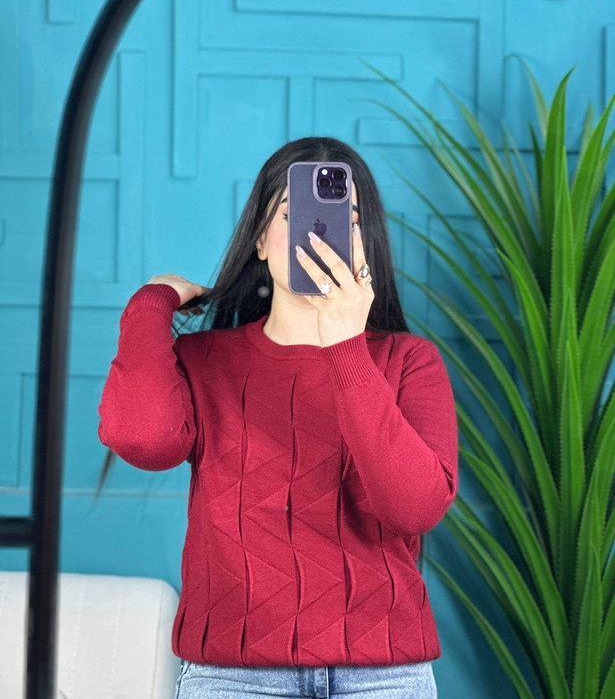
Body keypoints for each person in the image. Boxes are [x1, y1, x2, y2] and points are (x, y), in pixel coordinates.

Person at [96, 136, 458, 698]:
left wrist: (344, 347)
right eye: (294, 214)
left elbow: (413, 507)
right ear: (261, 240)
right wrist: (152, 302)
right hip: (231, 677)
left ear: (366, 247)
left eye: (345, 221)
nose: (318, 234)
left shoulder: (409, 362)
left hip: (383, 678)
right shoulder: (205, 362)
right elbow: (142, 440)